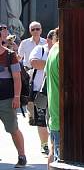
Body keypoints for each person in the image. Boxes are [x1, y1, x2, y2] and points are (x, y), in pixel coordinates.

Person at [46, 28, 78, 170]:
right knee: (61, 164)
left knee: (56, 158)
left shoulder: (53, 52)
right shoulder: (61, 54)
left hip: (55, 115)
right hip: (61, 115)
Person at [18, 22, 47, 153]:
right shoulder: (25, 43)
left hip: (40, 76)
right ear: (30, 31)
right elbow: (20, 57)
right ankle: (32, 114)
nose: (36, 31)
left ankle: (34, 115)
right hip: (28, 73)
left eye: (38, 29)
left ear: (41, 30)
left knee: (37, 101)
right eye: (33, 29)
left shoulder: (46, 42)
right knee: (30, 98)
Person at [0, 36, 27, 168]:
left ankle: (22, 156)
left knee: (13, 129)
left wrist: (16, 97)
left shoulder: (10, 55)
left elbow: (17, 78)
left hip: (7, 99)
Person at [28, 30, 54, 157]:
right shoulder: (41, 49)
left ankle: (54, 144)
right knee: (41, 119)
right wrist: (51, 64)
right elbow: (33, 62)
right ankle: (44, 144)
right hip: (40, 91)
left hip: (55, 91)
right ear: (49, 40)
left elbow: (39, 64)